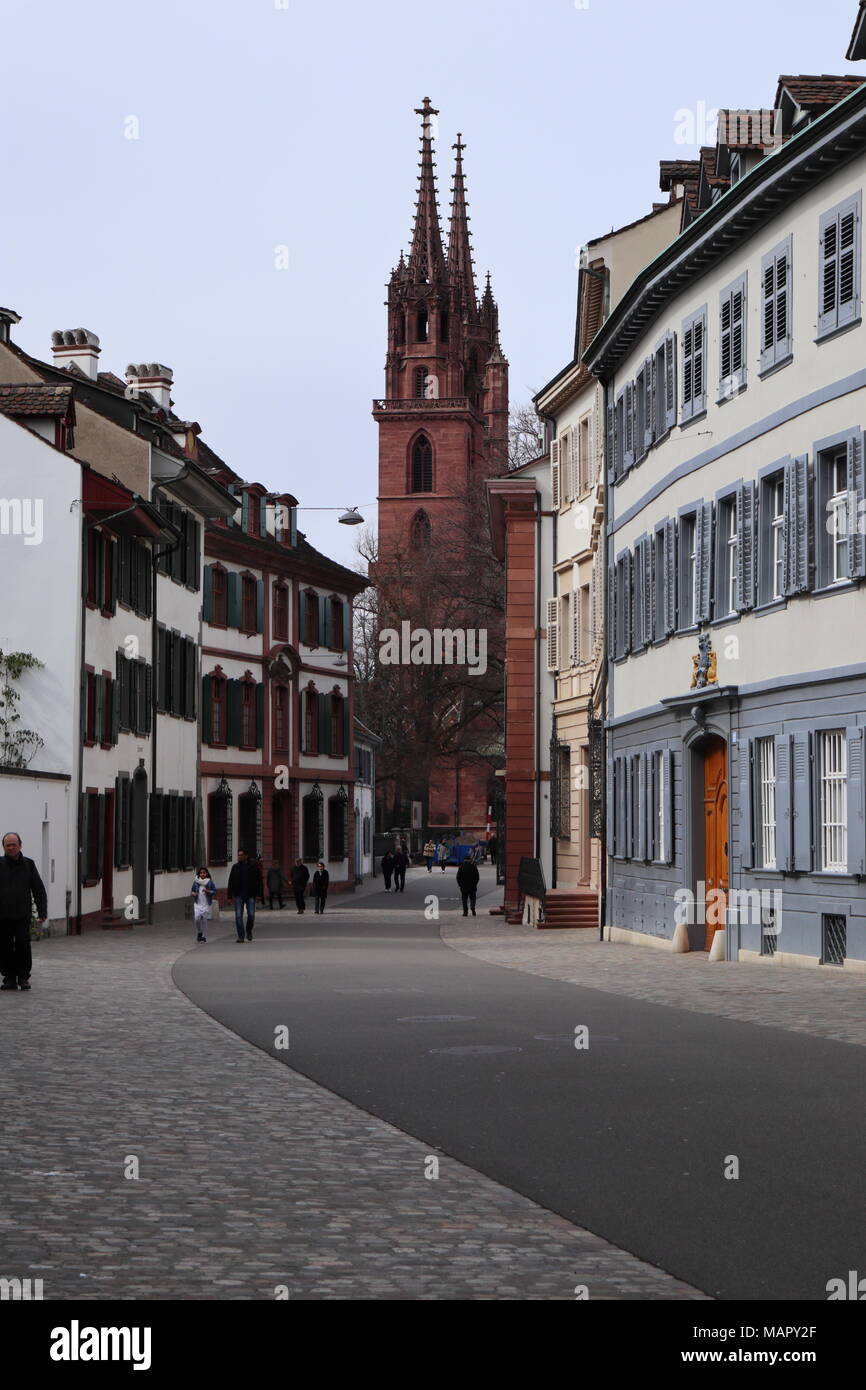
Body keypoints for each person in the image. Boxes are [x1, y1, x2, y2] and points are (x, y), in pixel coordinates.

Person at [0, 831, 47, 990]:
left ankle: (23, 976)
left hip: (22, 914)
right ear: (3, 847)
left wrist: (42, 911)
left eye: (14, 844)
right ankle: (9, 978)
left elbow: (38, 889)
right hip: (3, 915)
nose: (11, 848)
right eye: (8, 845)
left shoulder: (29, 864)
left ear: (20, 845)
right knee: (4, 946)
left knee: (23, 945)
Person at [227, 848, 262, 942]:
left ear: (246, 856)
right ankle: (241, 936)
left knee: (251, 915)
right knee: (238, 915)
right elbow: (230, 882)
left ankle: (249, 930)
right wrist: (229, 896)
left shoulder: (253, 867)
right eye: (238, 855)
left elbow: (259, 881)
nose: (239, 857)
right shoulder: (235, 867)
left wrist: (259, 895)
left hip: (251, 894)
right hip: (238, 895)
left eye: (241, 855)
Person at [190, 867, 217, 943]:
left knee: (204, 920)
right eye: (201, 873)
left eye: (204, 873)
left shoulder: (209, 882)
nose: (202, 874)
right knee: (197, 919)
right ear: (199, 874)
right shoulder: (196, 882)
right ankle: (199, 932)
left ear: (207, 873)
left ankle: (204, 936)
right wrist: (193, 893)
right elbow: (192, 891)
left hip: (206, 904)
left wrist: (207, 891)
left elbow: (214, 891)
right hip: (197, 903)